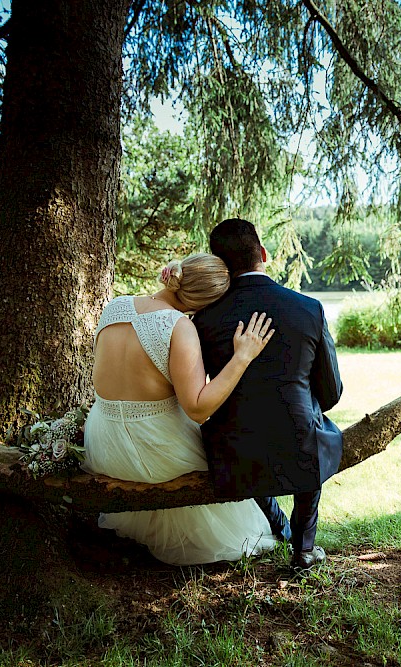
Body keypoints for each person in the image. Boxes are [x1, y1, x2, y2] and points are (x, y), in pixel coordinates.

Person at [83, 253, 278, 565]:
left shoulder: (116, 306)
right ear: (208, 303)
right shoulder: (178, 327)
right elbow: (198, 409)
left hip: (103, 444)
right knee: (226, 457)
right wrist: (242, 357)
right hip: (152, 448)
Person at [193, 218, 343, 573]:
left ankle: (280, 528)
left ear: (222, 266)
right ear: (262, 253)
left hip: (232, 451)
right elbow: (332, 390)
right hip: (298, 446)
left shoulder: (203, 320)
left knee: (259, 427)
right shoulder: (308, 308)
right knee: (313, 425)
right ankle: (303, 548)